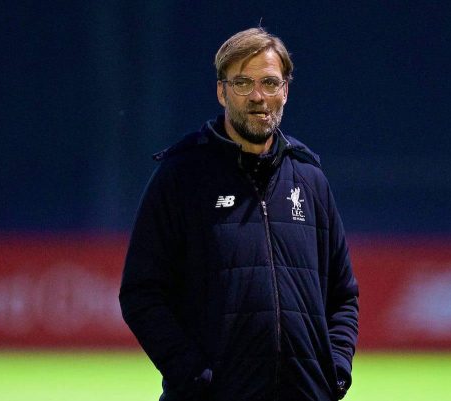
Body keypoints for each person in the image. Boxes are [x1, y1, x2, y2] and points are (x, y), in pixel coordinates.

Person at [119, 27, 359, 401]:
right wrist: (193, 376)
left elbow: (343, 295)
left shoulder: (310, 177)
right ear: (221, 91)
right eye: (243, 83)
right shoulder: (182, 176)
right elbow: (140, 293)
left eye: (269, 82)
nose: (258, 96)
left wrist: (336, 372)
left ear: (286, 91)